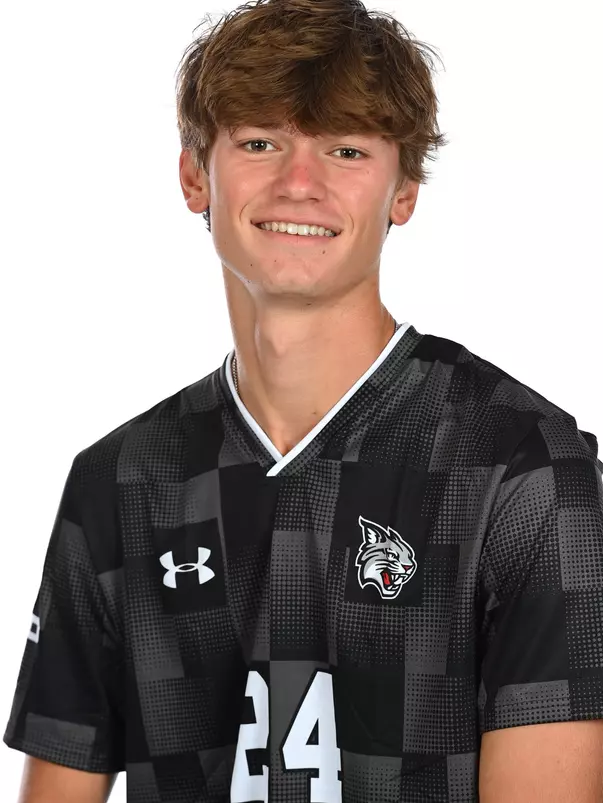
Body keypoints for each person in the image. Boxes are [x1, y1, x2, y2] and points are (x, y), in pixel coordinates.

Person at [5, 0, 603, 801]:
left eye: (346, 149)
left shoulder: (523, 468)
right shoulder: (117, 480)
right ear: (194, 175)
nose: (299, 183)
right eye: (259, 143)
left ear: (403, 191)